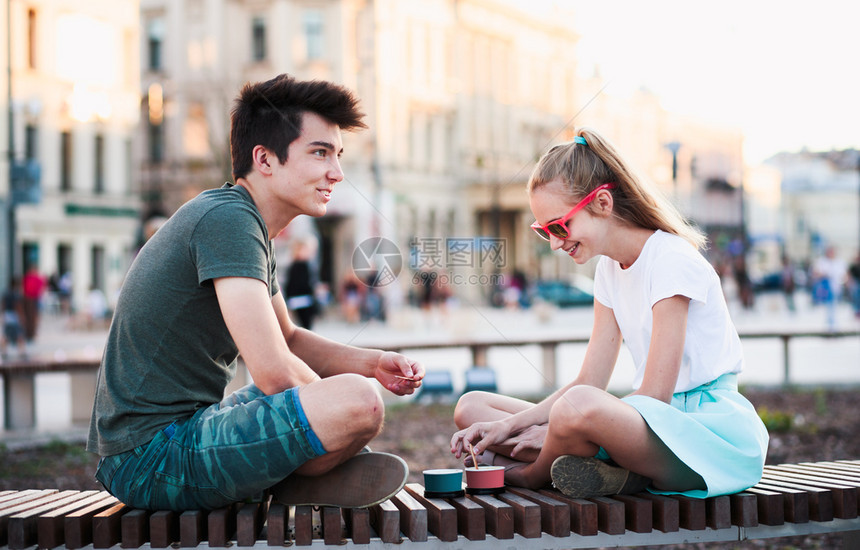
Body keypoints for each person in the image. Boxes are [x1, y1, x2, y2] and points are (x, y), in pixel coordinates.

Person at [87, 74, 425, 512]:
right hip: (149, 458)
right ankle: (293, 480)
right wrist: (345, 411)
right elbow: (274, 372)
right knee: (359, 401)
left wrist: (373, 363)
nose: (337, 173)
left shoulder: (243, 223)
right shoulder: (227, 220)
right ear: (264, 159)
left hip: (175, 439)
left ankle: (286, 481)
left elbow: (287, 339)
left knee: (355, 392)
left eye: (338, 155)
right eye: (320, 153)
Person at [450, 128, 768, 500]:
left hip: (705, 436)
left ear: (602, 203)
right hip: (644, 428)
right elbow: (590, 379)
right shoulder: (608, 270)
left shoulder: (670, 260)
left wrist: (555, 430)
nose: (554, 243)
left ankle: (534, 474)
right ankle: (604, 467)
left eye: (559, 226)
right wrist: (508, 427)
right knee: (473, 408)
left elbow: (654, 397)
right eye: (543, 231)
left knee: (575, 408)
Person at [284, 239, 318, 330]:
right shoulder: (301, 265)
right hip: (302, 299)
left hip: (301, 299)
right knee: (305, 325)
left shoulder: (301, 264)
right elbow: (293, 284)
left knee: (304, 326)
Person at [1, 277, 27, 359]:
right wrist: (22, 317)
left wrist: (3, 315)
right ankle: (21, 352)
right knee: (19, 334)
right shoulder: (16, 294)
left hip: (7, 315)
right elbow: (17, 306)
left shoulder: (6, 293)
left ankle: (4, 352)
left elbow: (3, 305)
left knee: (6, 335)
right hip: (14, 316)